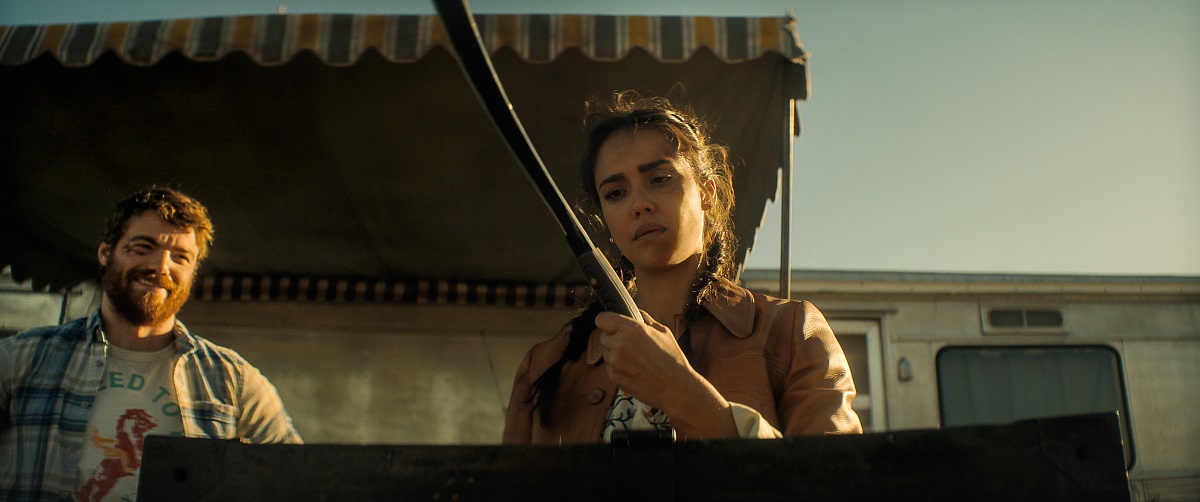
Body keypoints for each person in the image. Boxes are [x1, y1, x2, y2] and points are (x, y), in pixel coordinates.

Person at [503, 94, 863, 443]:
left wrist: (682, 392)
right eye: (615, 193)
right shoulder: (545, 365)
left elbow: (836, 475)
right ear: (605, 220)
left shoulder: (791, 332)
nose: (639, 204)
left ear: (707, 192)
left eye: (660, 179)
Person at [0, 187, 302, 501]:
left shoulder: (233, 381)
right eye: (143, 247)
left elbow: (296, 482)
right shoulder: (24, 359)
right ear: (105, 253)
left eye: (180, 257)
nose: (161, 267)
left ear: (193, 272)